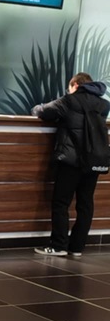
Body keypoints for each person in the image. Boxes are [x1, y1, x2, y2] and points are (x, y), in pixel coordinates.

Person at [32, 72, 110, 257]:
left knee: (61, 202)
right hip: (93, 160)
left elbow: (44, 111)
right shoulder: (104, 104)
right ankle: (76, 247)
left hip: (71, 160)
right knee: (85, 203)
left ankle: (58, 245)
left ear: (75, 85)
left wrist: (36, 108)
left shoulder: (69, 100)